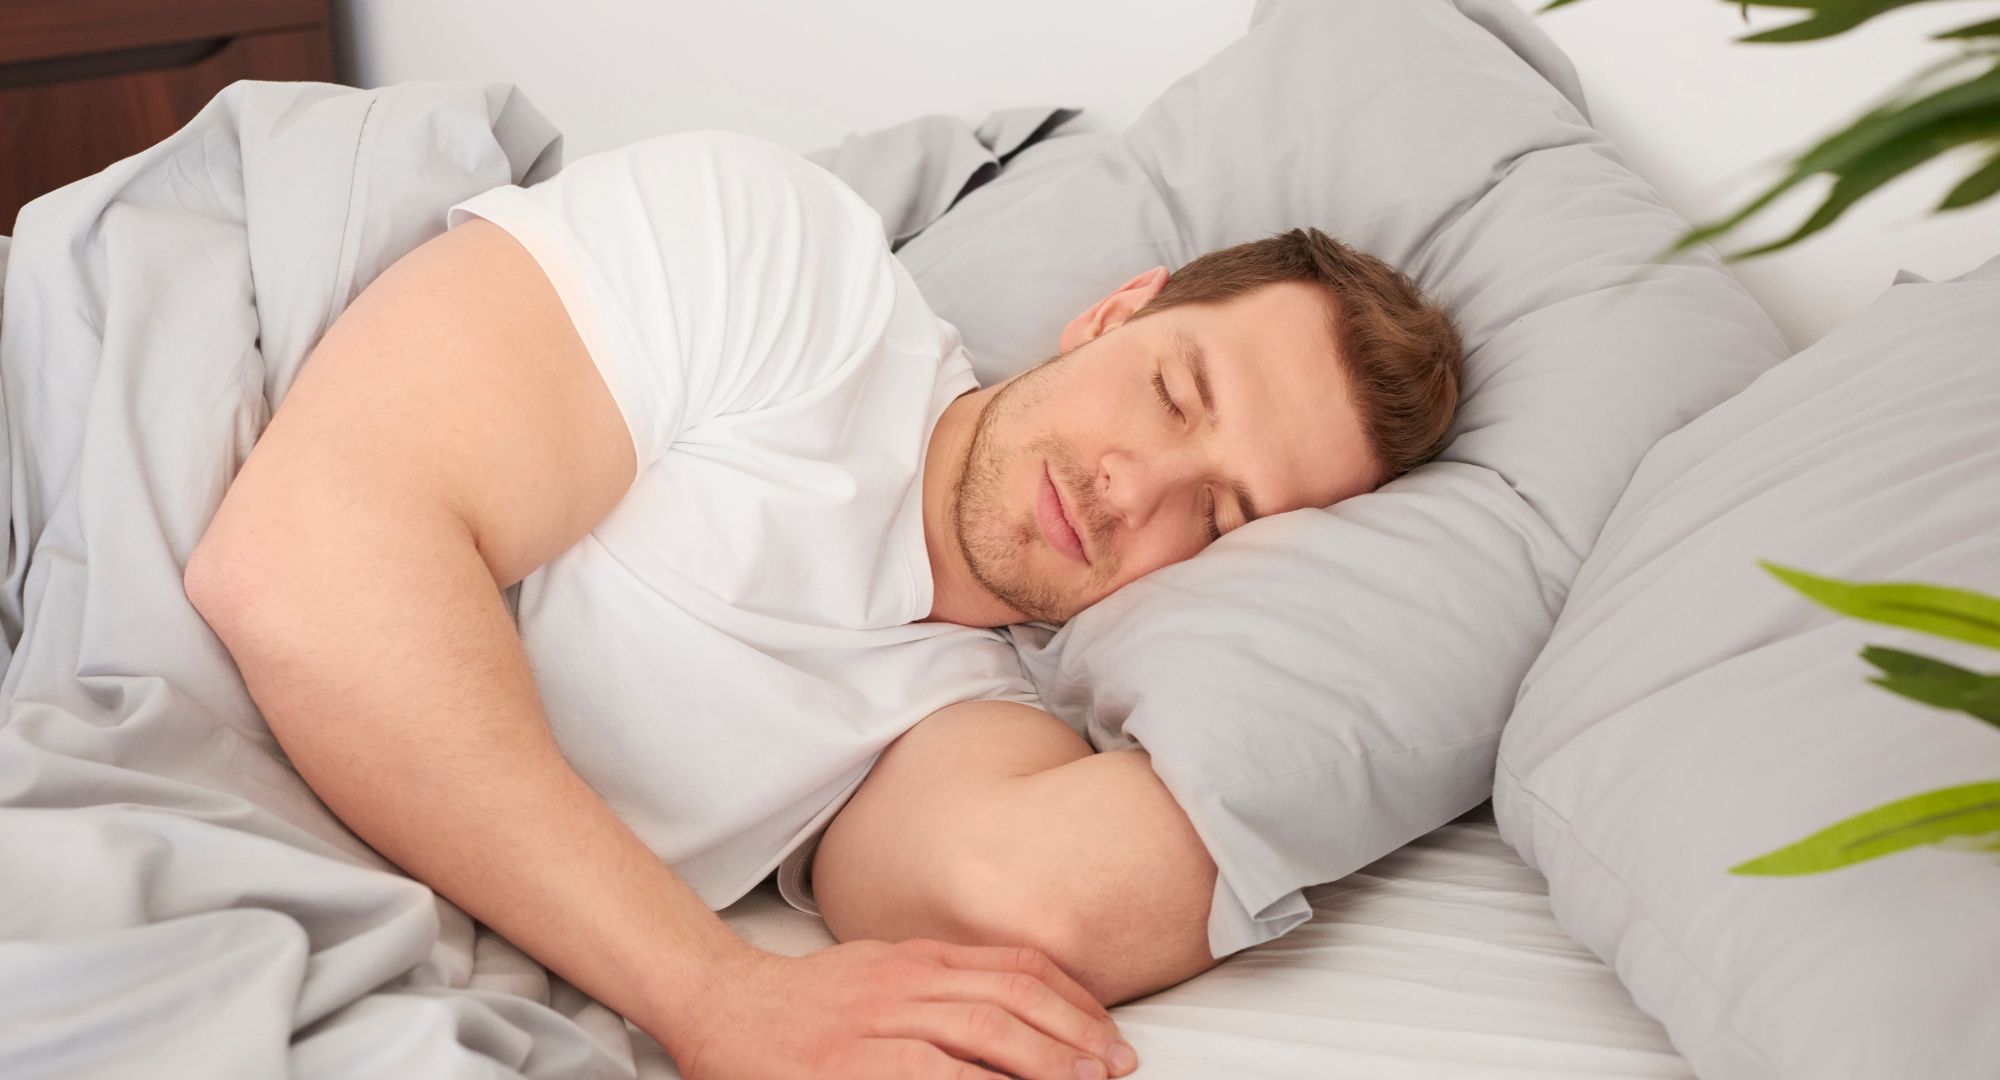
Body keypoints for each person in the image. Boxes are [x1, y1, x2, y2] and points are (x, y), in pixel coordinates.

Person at [183, 130, 1462, 1080]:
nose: (1137, 490)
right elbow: (298, 555)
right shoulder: (792, 270)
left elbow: (1043, 901)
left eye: (1224, 517)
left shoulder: (965, 721)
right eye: (1174, 394)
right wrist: (709, 990)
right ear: (1113, 312)